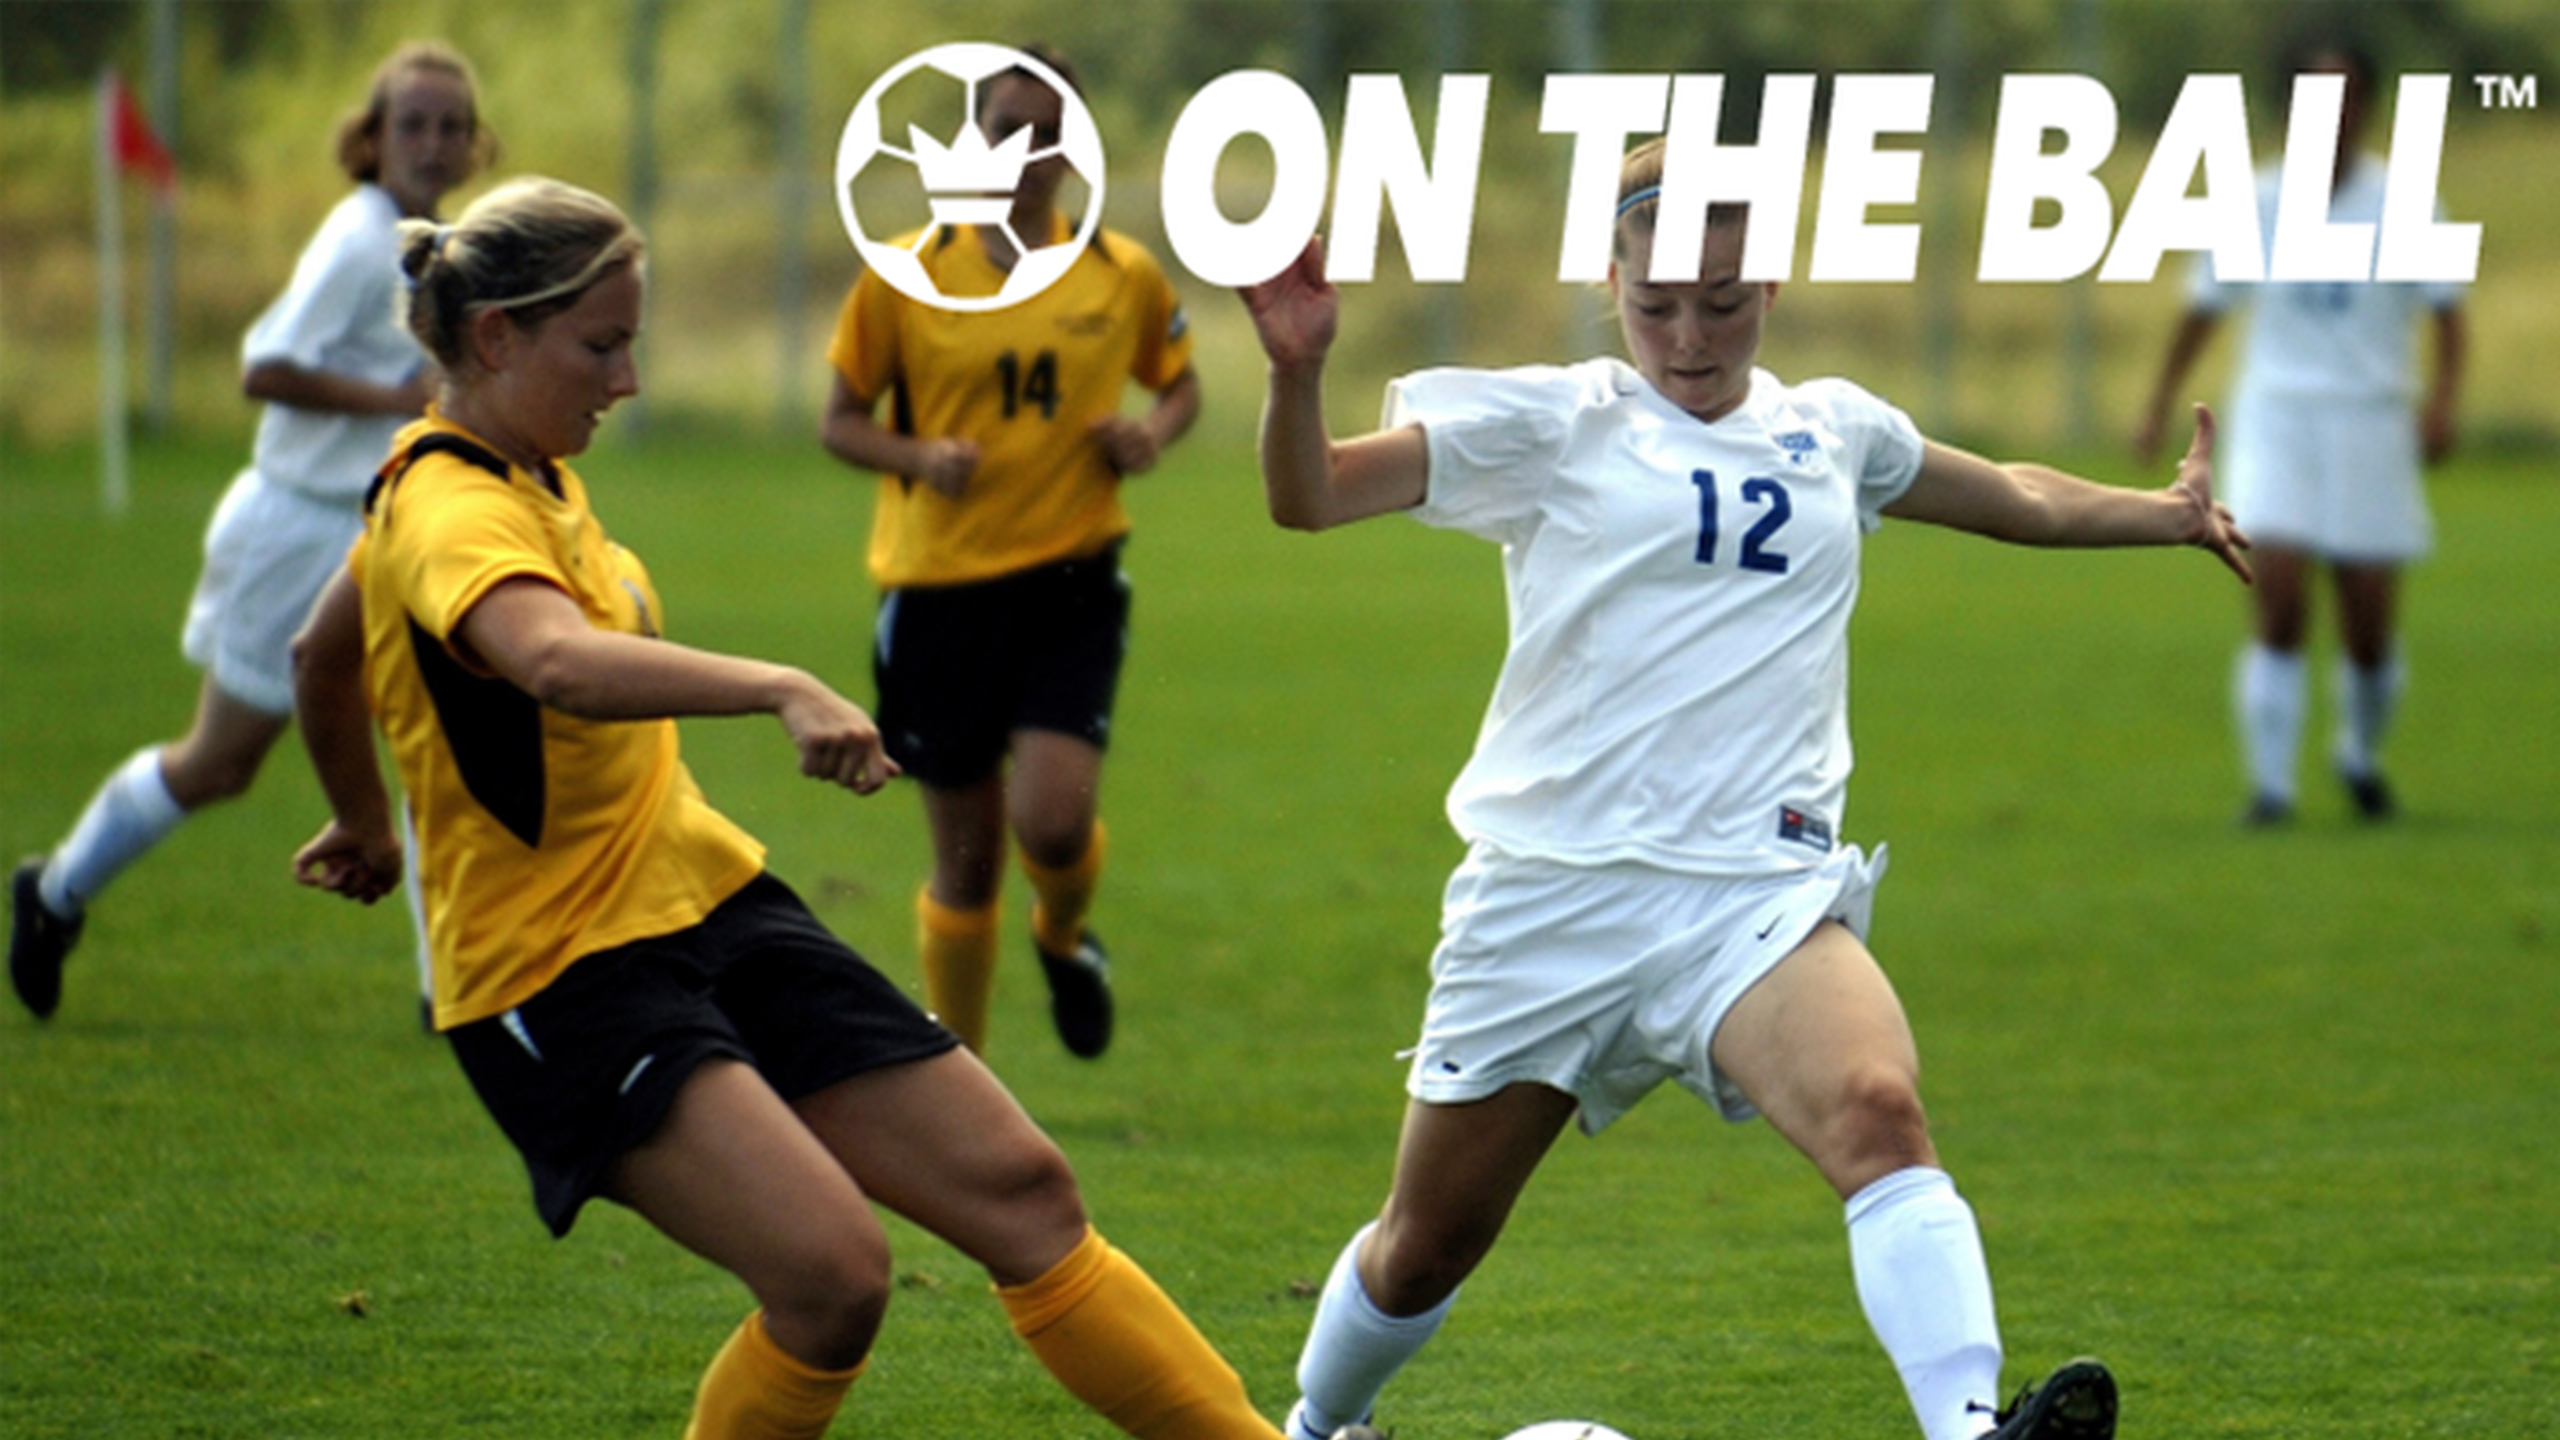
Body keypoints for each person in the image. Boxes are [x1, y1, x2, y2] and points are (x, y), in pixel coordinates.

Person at [1238, 139, 2254, 1440]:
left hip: (1749, 897)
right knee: (1422, 1248)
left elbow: (2013, 495)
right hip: (1552, 900)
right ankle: (1318, 1428)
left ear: (1767, 283)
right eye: (1656, 303)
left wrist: (2159, 515)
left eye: (1720, 301)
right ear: (1611, 283)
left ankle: (1968, 1430)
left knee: (1879, 1113)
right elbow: (1309, 494)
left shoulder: (1832, 430)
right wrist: (1297, 370)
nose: (1688, 334)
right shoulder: (1553, 421)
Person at [290, 175, 1294, 1440]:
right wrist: (777, 686)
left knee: (1025, 1193)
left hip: (702, 899)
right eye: (602, 344)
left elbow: (323, 654)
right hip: (558, 971)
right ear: (496, 338)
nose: (630, 378)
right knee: (832, 1278)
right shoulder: (447, 505)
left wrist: (366, 820)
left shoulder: (512, 471)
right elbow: (551, 661)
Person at [10, 40, 493, 1020]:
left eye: (451, 126)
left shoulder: (435, 243)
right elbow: (264, 365)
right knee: (220, 763)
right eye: (413, 124)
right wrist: (392, 395)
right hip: (296, 530)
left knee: (436, 739)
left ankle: (449, 992)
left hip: (389, 534)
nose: (433, 143)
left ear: (476, 142)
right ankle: (52, 891)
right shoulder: (362, 237)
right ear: (371, 136)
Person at [820, 43, 1200, 1060]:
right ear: (971, 143)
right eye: (1005, 130)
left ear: (1078, 151)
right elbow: (839, 421)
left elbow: (1179, 385)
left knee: (1056, 825)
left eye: (1049, 133)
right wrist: (915, 454)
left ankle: (1065, 935)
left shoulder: (1120, 276)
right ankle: (965, 1083)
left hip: (1069, 581)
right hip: (938, 591)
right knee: (968, 862)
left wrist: (1147, 437)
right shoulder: (905, 273)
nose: (1025, 152)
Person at [2134, 34, 2467, 826]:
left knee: (2368, 624)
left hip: (2372, 418)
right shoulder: (2257, 200)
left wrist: (2444, 403)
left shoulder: (2408, 199)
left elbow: (2450, 315)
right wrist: (2157, 404)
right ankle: (2272, 789)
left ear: (2370, 108)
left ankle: (2359, 753)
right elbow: (2203, 307)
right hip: (2281, 415)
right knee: (2277, 597)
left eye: (2348, 98)